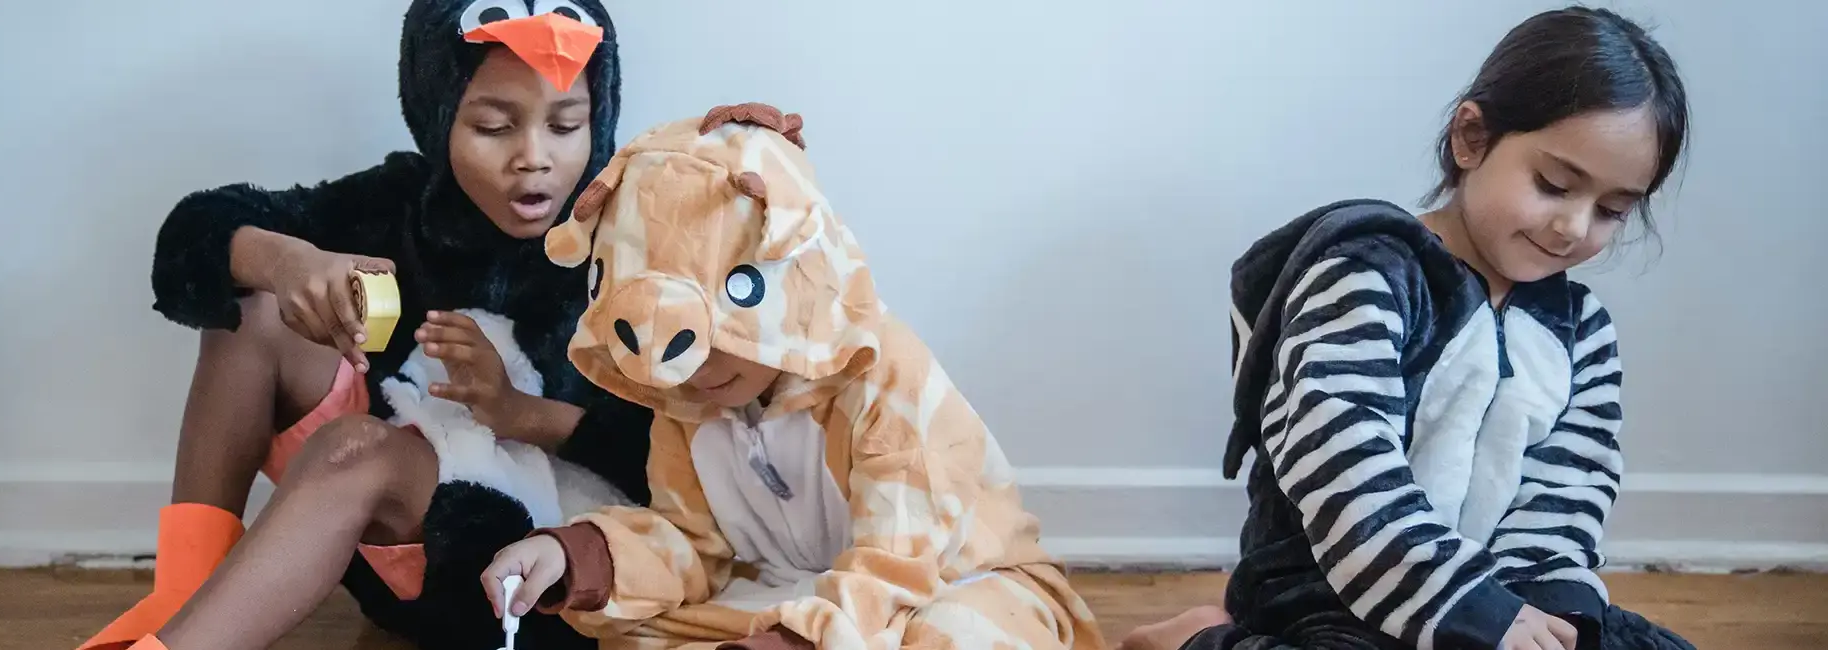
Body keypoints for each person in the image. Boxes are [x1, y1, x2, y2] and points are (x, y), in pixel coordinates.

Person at [76, 2, 652, 649]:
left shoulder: (637, 229)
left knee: (353, 447)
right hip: (405, 556)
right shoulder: (400, 203)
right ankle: (182, 604)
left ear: (598, 118)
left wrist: (524, 415)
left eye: (566, 125)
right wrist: (288, 262)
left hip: (547, 586)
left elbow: (689, 458)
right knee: (251, 304)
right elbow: (191, 239)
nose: (534, 157)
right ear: (438, 116)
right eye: (493, 127)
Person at [1120, 7, 1696, 650]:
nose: (1573, 226)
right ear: (1470, 138)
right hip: (1332, 587)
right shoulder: (1366, 276)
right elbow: (1343, 469)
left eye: (1612, 210)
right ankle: (1194, 641)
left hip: (1494, 594)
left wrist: (1543, 613)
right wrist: (1465, 610)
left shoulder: (1581, 330)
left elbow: (1568, 492)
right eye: (1554, 185)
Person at [477, 103, 1110, 650]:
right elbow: (693, 547)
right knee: (631, 626)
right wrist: (572, 554)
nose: (696, 370)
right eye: (673, 350)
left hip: (940, 586)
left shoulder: (884, 375)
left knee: (960, 637)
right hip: (789, 593)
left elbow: (896, 569)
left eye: (718, 332)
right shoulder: (686, 402)